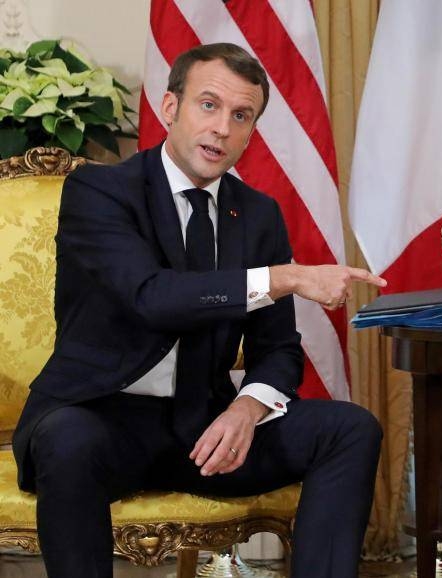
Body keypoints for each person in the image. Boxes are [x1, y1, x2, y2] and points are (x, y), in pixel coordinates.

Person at [12, 43, 387, 578]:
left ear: (252, 131)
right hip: (98, 416)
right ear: (170, 108)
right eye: (207, 105)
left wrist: (246, 410)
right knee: (68, 439)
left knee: (349, 428)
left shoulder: (257, 214)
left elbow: (278, 350)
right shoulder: (101, 191)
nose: (222, 128)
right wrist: (285, 278)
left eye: (241, 116)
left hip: (201, 427)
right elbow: (152, 298)